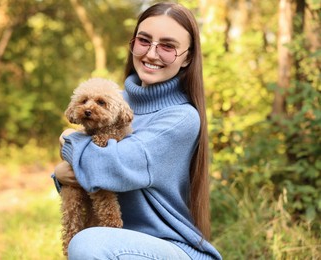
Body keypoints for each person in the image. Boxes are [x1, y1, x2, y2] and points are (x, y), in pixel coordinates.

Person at [52, 2, 222, 259]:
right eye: (144, 41)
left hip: (167, 247)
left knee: (88, 244)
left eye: (168, 46)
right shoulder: (112, 100)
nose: (152, 54)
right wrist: (61, 175)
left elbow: (112, 168)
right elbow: (88, 180)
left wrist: (69, 140)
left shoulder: (181, 118)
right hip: (120, 245)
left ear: (187, 57)